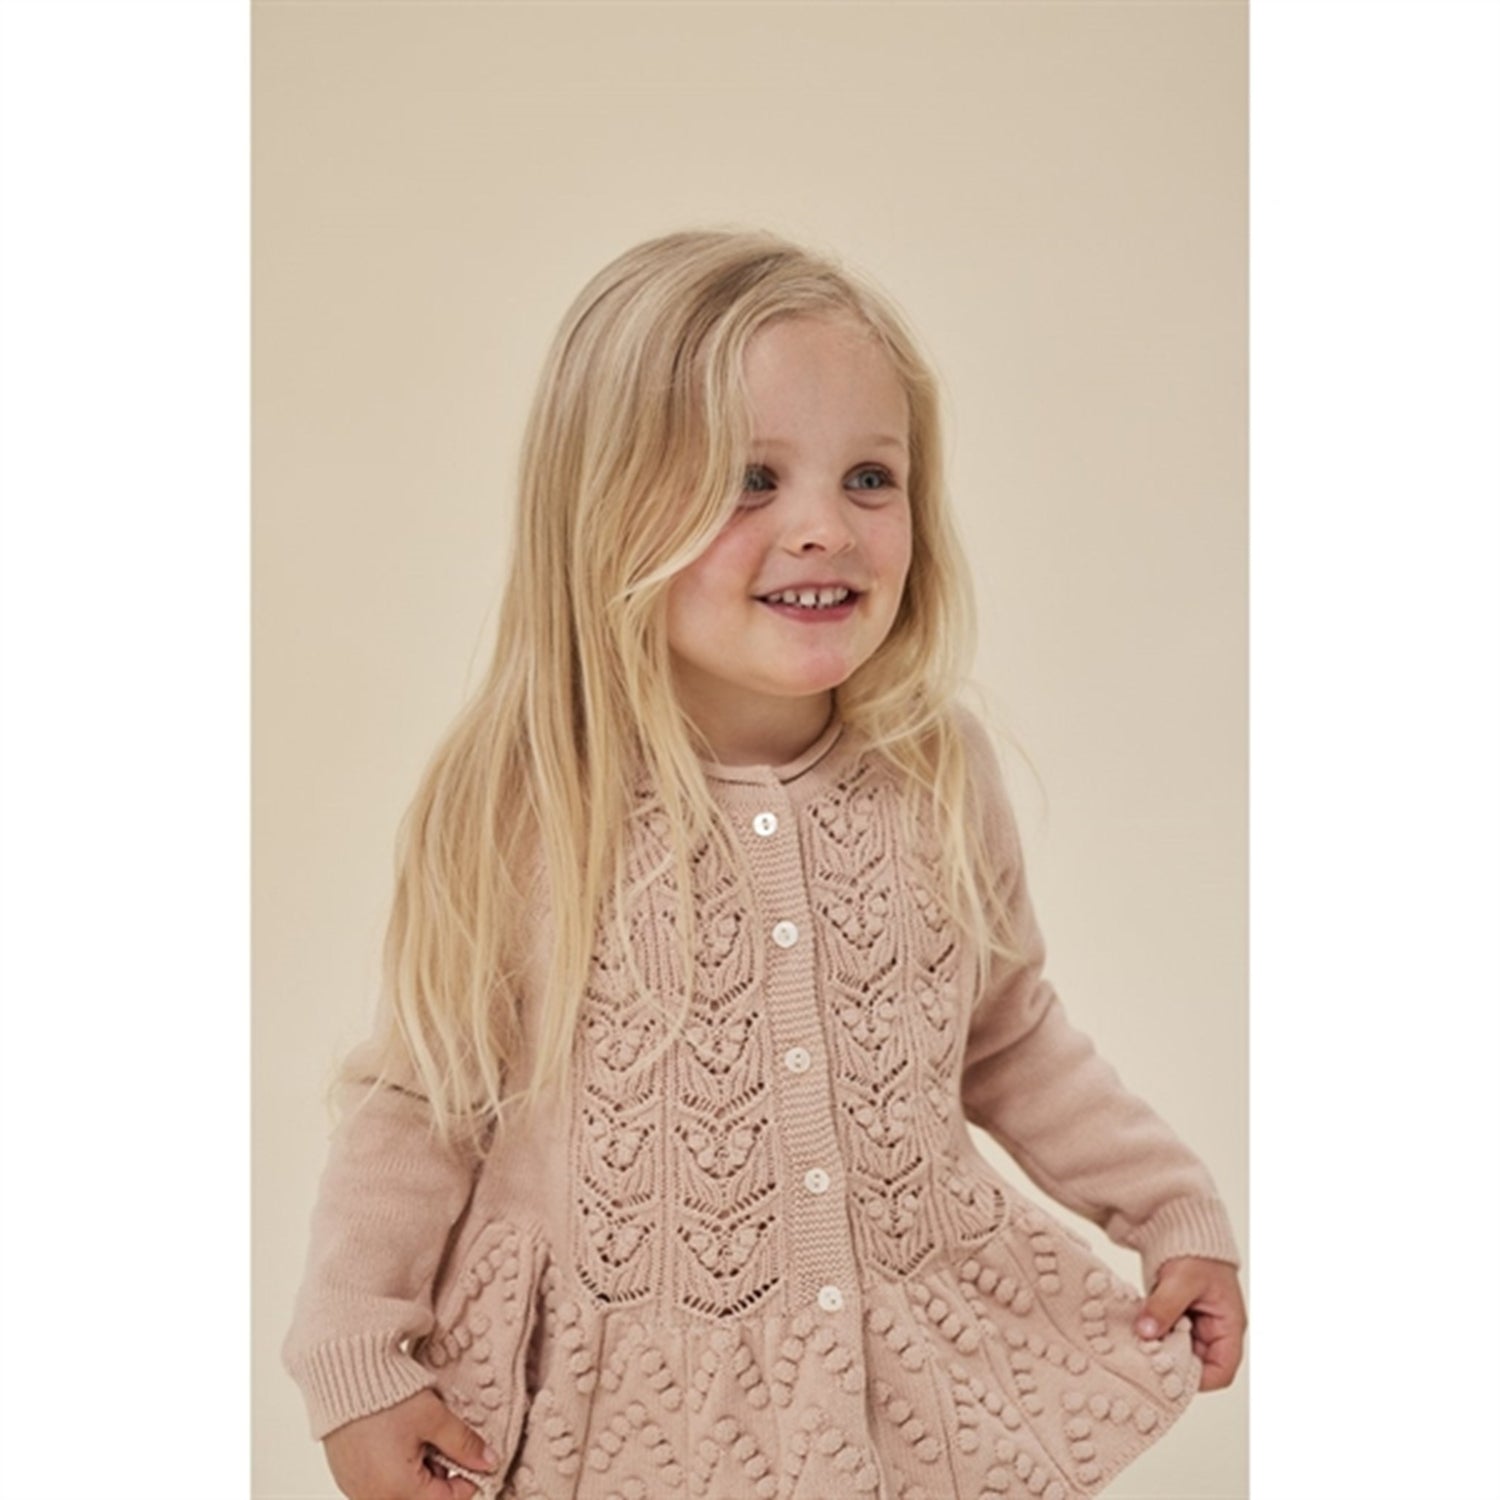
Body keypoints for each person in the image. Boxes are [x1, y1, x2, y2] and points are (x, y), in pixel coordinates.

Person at [283, 227, 1247, 1500]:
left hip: (901, 1383)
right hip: (626, 1410)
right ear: (606, 509)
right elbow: (422, 1094)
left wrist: (1168, 1206)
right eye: (749, 480)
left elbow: (1008, 1031)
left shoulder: (935, 769)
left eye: (870, 477)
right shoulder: (530, 798)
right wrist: (355, 1354)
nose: (823, 529)